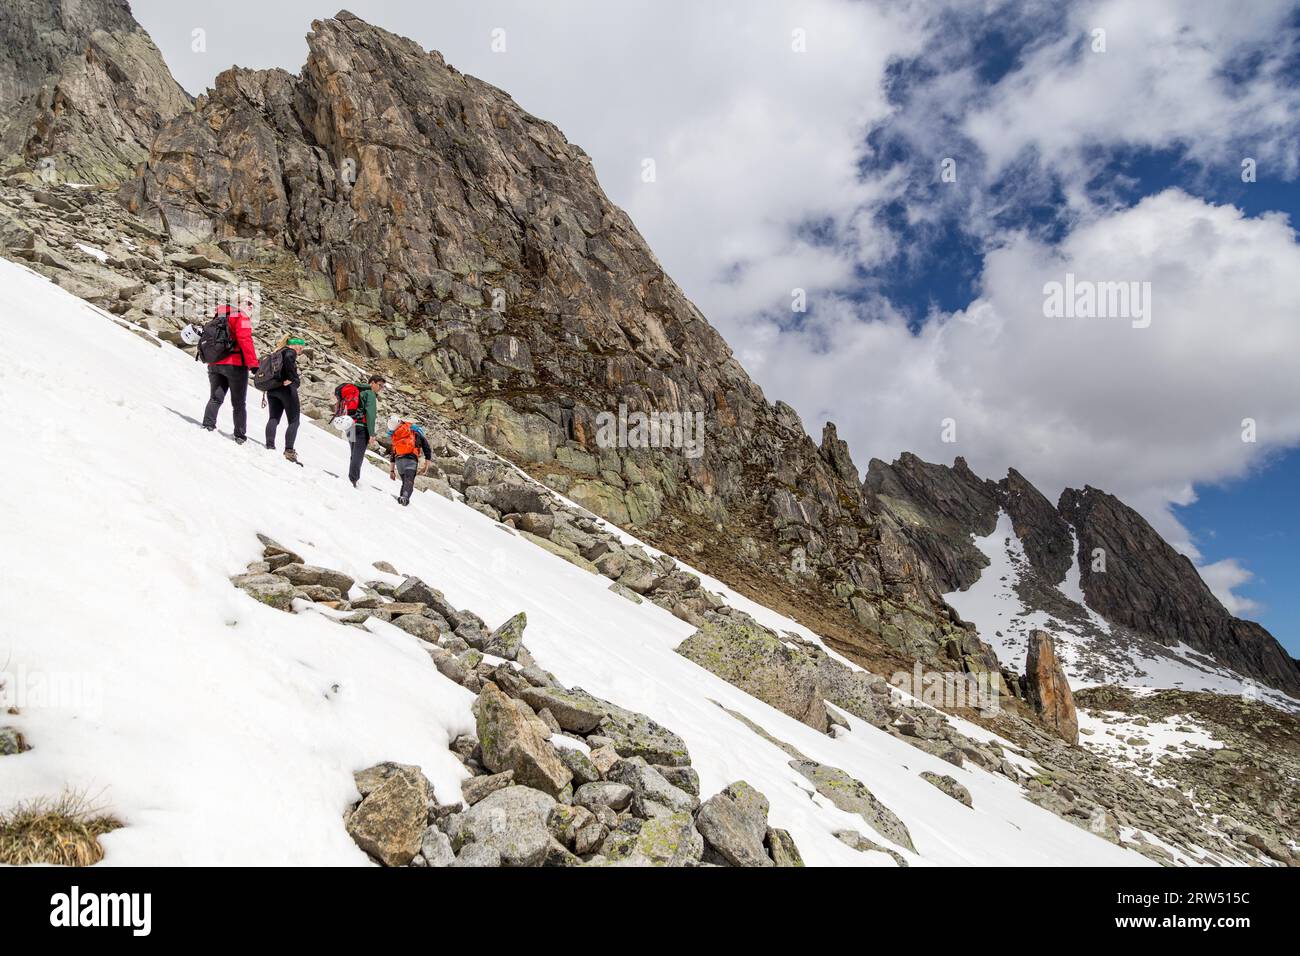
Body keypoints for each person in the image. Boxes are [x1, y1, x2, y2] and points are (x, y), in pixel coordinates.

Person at [200, 302, 259, 443]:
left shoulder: (219, 316)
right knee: (239, 403)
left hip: (214, 362)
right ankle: (239, 435)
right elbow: (245, 340)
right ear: (239, 303)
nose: (251, 307)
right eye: (248, 303)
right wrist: (253, 364)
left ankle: (208, 425)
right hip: (235, 365)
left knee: (215, 398)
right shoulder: (242, 317)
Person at [262, 336, 305, 461]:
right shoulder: (289, 352)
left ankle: (270, 444)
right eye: (301, 346)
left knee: (274, 418)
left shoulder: (276, 352)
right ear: (294, 345)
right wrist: (295, 381)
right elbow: (288, 362)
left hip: (272, 388)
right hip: (286, 389)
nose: (302, 349)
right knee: (294, 421)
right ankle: (289, 450)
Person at [340, 374, 385, 487]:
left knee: (354, 453)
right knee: (358, 455)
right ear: (372, 383)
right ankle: (353, 480)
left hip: (350, 425)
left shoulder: (357, 390)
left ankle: (352, 478)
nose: (381, 388)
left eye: (382, 387)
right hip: (361, 427)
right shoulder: (370, 393)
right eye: (380, 385)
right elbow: (370, 414)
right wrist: (371, 433)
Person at [385, 414, 432, 505]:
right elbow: (426, 447)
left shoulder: (395, 435)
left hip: (399, 462)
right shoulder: (413, 430)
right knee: (409, 481)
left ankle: (402, 498)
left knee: (405, 482)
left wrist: (391, 470)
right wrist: (427, 463)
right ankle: (405, 498)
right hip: (411, 460)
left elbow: (393, 454)